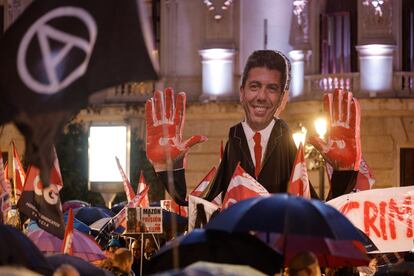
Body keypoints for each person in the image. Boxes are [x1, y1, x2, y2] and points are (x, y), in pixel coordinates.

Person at [145, 50, 361, 204]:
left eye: (271, 89)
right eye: (254, 87)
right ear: (242, 92)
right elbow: (202, 205)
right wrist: (170, 168)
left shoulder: (285, 140)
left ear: (282, 98)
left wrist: (344, 172)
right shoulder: (235, 139)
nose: (261, 97)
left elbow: (317, 209)